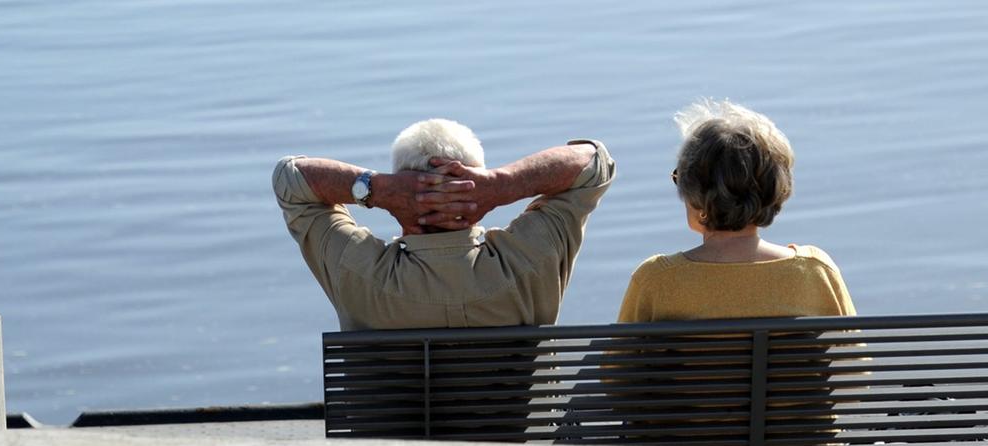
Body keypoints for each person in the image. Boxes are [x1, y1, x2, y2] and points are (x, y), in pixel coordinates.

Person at [273, 119, 614, 331]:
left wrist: (378, 190)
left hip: (390, 445)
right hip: (517, 442)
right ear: (475, 181)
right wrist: (502, 184)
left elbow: (290, 180)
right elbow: (594, 162)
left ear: (401, 181)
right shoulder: (531, 257)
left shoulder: (357, 269)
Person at [616, 100, 854, 323]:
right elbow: (853, 362)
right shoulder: (816, 271)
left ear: (695, 195)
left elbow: (617, 365)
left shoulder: (657, 279)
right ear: (775, 189)